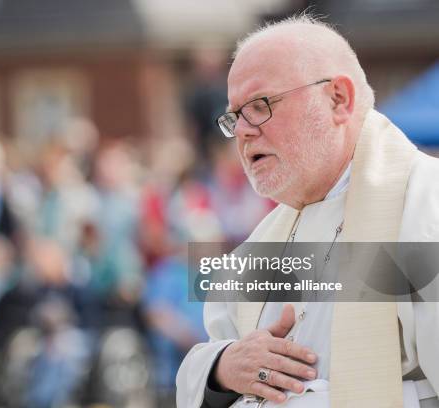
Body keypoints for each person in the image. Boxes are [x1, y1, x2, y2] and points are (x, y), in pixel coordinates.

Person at [176, 14, 439, 408]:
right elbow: (211, 357)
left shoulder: (424, 206)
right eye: (234, 116)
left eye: (260, 105)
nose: (244, 131)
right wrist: (224, 367)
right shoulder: (263, 240)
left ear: (338, 99)